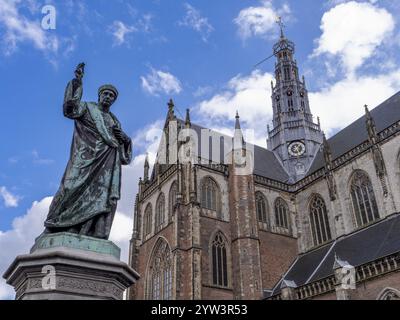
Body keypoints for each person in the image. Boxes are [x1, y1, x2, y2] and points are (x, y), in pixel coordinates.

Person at [43, 63, 132, 239]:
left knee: (102, 199)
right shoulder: (87, 108)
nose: (108, 97)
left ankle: (89, 231)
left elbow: (121, 150)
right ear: (100, 96)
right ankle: (54, 225)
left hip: (107, 163)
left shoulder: (115, 120)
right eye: (105, 94)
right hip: (84, 157)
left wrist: (126, 140)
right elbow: (69, 109)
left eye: (111, 96)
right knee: (69, 188)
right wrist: (77, 83)